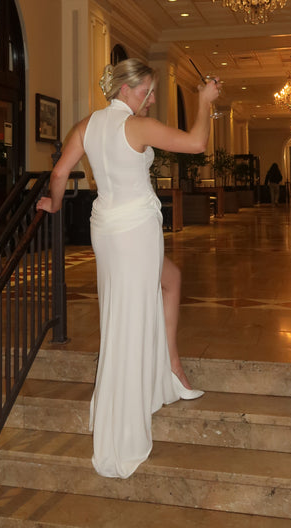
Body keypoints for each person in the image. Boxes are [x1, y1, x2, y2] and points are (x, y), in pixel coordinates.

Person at [37, 59, 219, 479]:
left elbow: (61, 171)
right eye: (147, 92)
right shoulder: (135, 126)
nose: (151, 99)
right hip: (136, 229)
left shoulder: (86, 126)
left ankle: (171, 367)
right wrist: (204, 101)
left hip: (107, 228)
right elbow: (195, 144)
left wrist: (56, 203)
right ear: (124, 90)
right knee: (129, 318)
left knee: (169, 282)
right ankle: (124, 420)